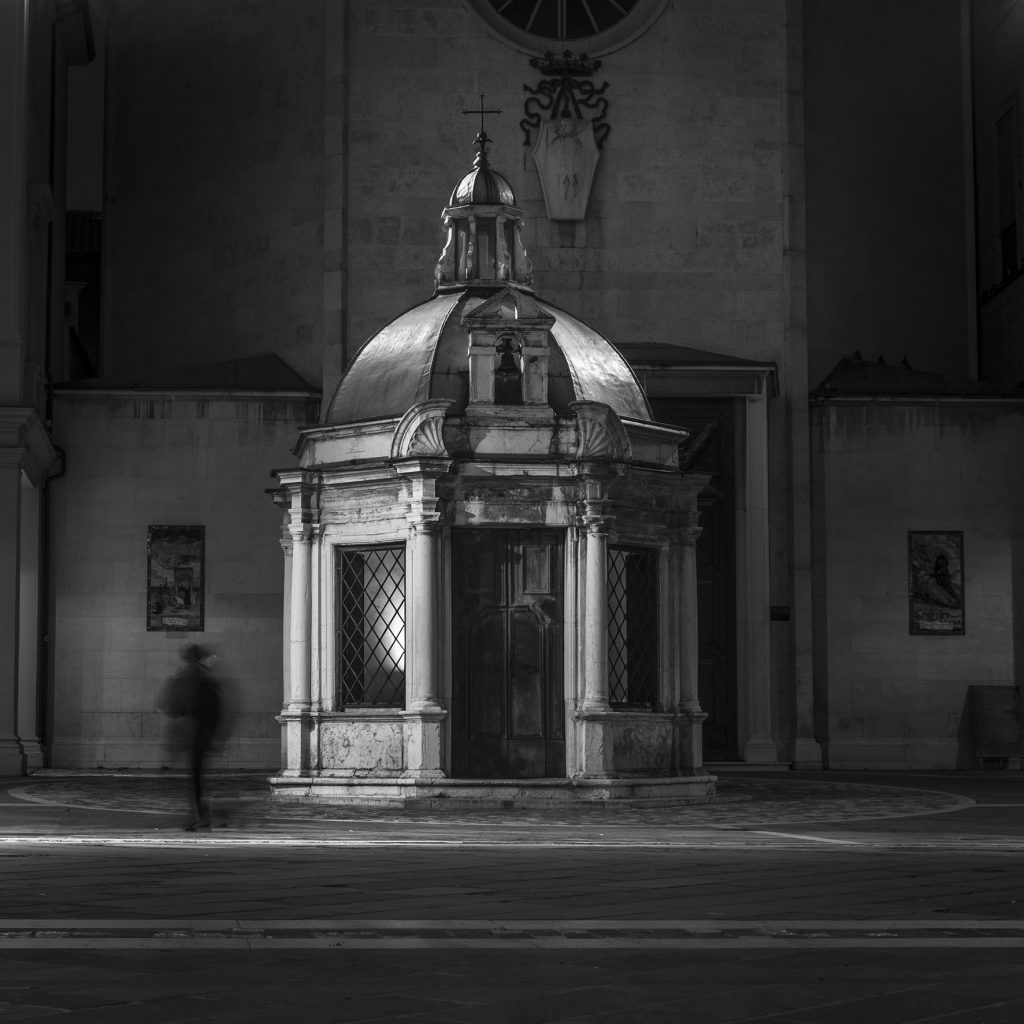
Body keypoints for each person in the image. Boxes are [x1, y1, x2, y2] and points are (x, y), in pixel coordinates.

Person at [157, 643, 224, 830]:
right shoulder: (204, 681)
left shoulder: (184, 680)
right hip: (199, 734)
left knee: (195, 776)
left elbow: (167, 704)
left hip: (191, 732)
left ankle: (199, 813)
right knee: (196, 776)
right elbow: (215, 710)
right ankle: (200, 813)